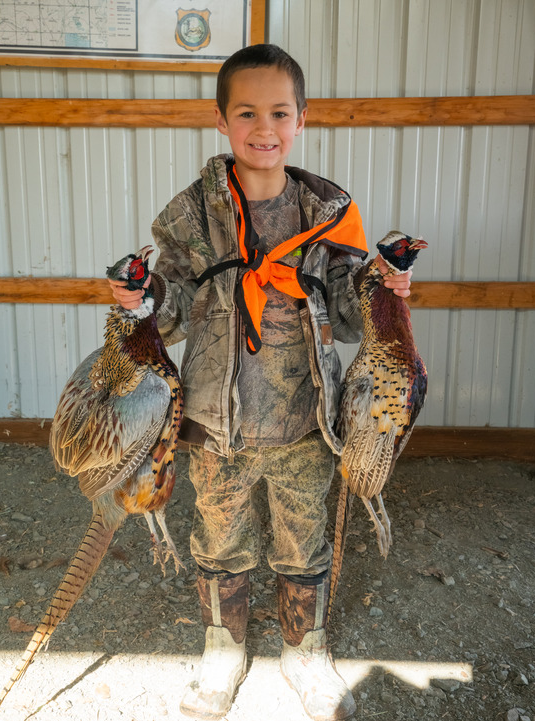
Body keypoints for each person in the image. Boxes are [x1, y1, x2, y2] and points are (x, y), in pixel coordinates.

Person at [109, 44, 412, 721]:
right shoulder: (191, 214)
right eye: (246, 113)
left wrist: (383, 287)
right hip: (218, 425)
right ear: (221, 121)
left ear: (302, 118)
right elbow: (178, 307)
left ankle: (306, 651)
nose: (263, 127)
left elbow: (346, 311)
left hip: (308, 420)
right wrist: (142, 297)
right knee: (219, 540)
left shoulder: (327, 211)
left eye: (279, 112)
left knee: (302, 543)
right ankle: (225, 649)